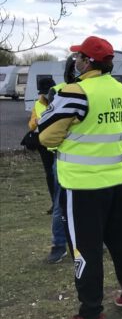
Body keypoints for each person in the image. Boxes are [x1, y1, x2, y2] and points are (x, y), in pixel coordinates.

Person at [38, 35, 122, 319]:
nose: (76, 62)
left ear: (87, 61)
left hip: (82, 186)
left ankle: (90, 314)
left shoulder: (74, 92)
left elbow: (46, 136)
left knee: (85, 249)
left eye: (79, 57)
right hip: (117, 180)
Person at [42, 55, 78, 264]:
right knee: (60, 203)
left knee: (85, 204)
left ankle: (93, 242)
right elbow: (50, 127)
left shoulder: (90, 90)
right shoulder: (59, 91)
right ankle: (59, 244)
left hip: (86, 160)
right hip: (63, 158)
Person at [29, 77, 57, 215]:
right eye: (43, 92)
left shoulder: (61, 100)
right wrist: (37, 121)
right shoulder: (38, 104)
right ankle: (55, 203)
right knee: (50, 174)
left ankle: (62, 202)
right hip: (43, 144)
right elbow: (31, 124)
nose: (45, 94)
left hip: (59, 143)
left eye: (47, 91)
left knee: (60, 174)